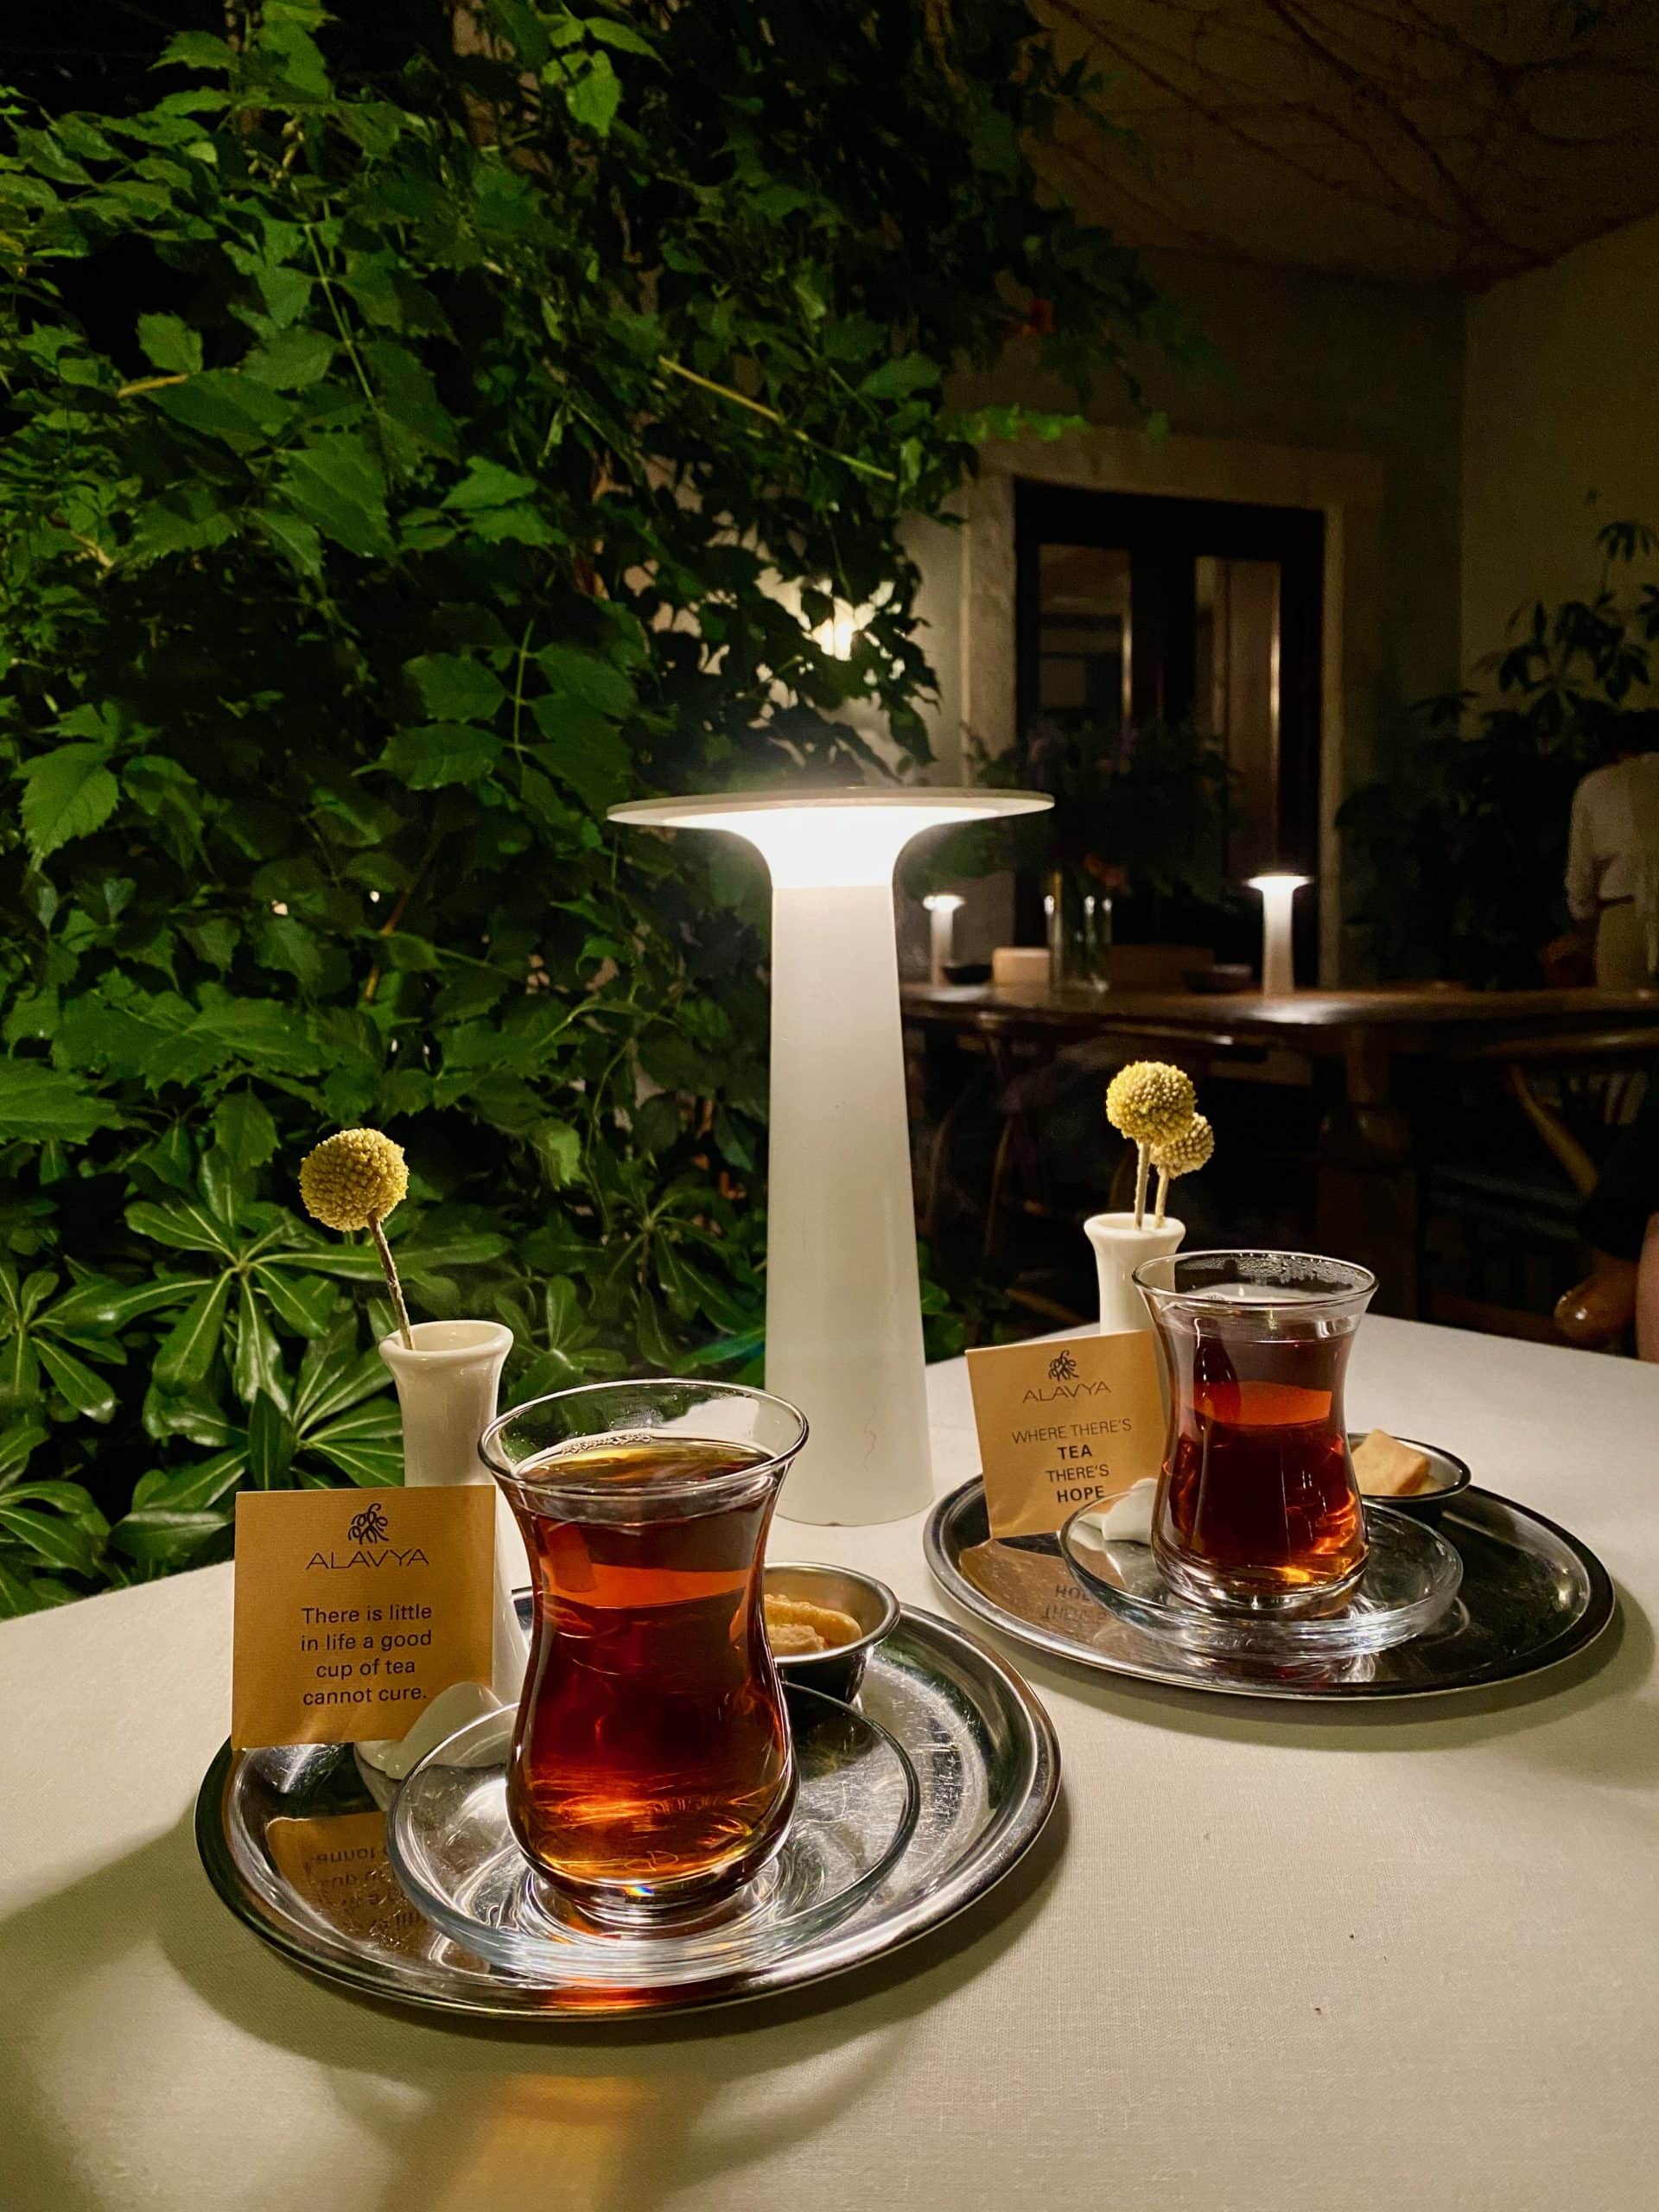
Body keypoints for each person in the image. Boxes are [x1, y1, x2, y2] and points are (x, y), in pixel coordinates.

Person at [1560, 709, 1659, 989]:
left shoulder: (1597, 787)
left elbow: (1580, 879)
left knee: (1623, 1025)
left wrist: (1585, 930)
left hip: (1625, 915)